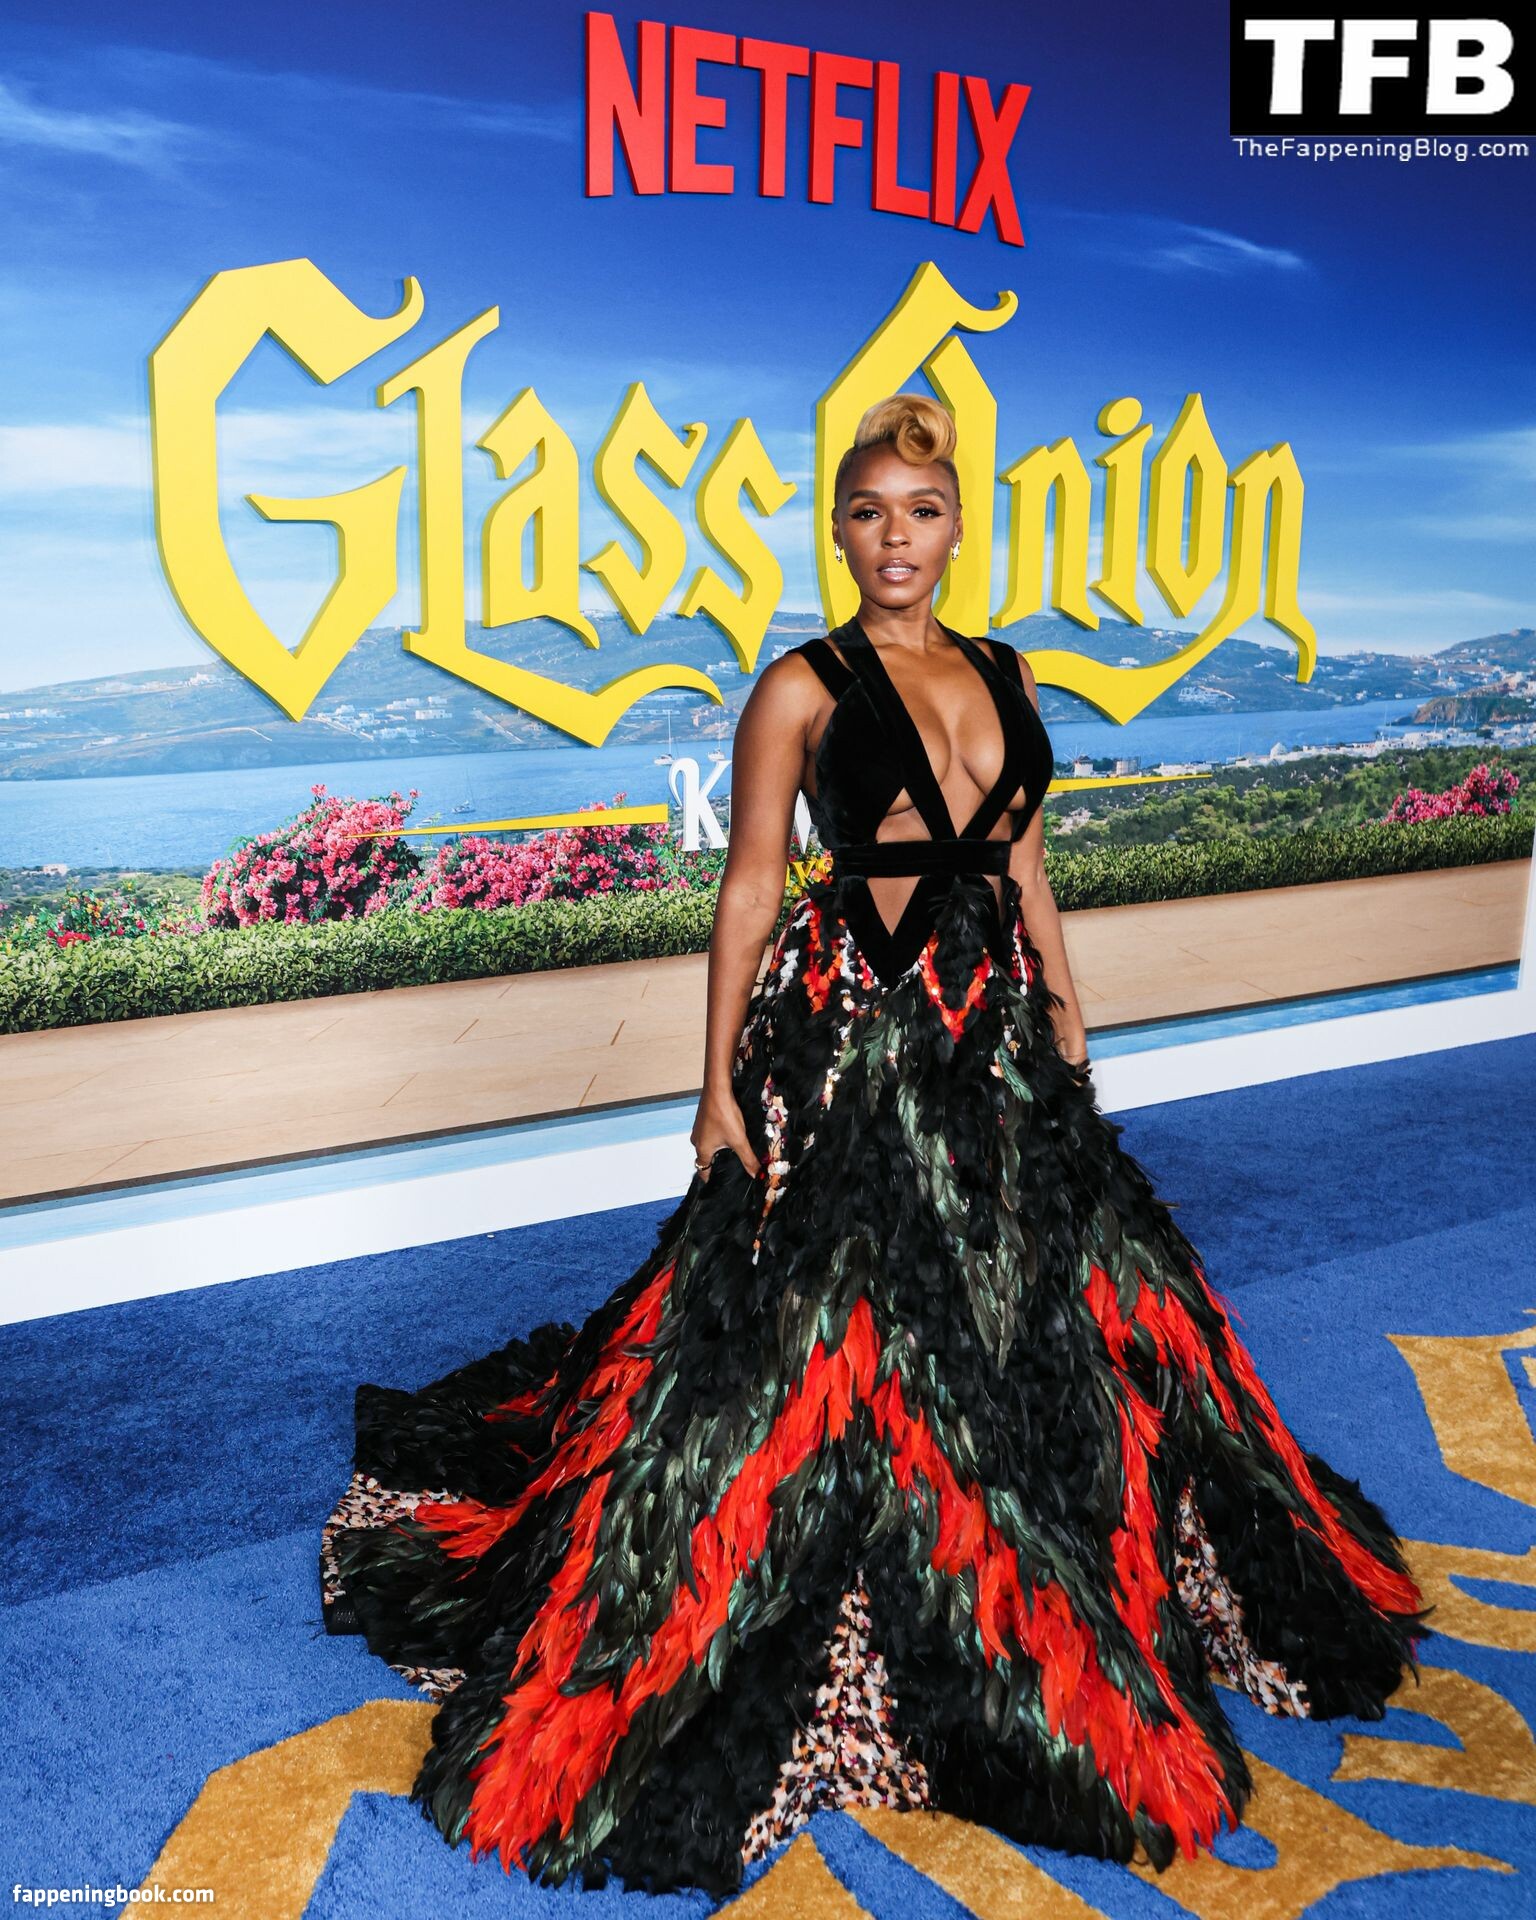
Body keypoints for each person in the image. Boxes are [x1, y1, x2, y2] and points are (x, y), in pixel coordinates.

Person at [321, 393, 1425, 1896]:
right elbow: (751, 888)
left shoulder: (1006, 672)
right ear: (838, 532)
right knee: (831, 1345)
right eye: (867, 512)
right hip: (847, 1049)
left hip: (999, 1052)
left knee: (1063, 1317)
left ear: (958, 524)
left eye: (921, 509)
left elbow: (1027, 867)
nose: (895, 536)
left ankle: (1059, 1576)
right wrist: (713, 1085)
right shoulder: (799, 685)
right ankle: (870, 1605)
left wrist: (1071, 1025)